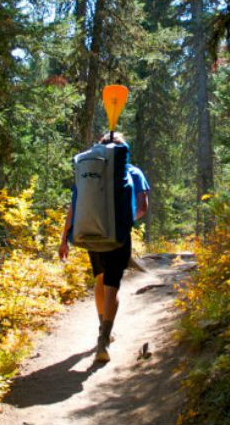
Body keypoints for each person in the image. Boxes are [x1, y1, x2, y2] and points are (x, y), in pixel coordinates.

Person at [58, 131, 150, 363]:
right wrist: (124, 222)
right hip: (117, 236)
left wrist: (64, 239)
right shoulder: (132, 171)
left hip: (91, 234)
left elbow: (74, 207)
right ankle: (104, 340)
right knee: (112, 285)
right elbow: (143, 207)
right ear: (122, 150)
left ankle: (102, 329)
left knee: (99, 280)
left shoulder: (90, 171)